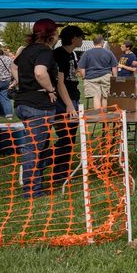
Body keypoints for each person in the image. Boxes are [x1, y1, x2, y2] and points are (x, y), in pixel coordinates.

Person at [12, 19, 63, 197]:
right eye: (57, 33)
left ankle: (36, 184)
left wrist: (22, 83)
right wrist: (50, 89)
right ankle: (32, 190)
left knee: (37, 146)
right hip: (37, 106)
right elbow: (40, 72)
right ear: (50, 35)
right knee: (33, 148)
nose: (58, 36)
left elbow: (14, 66)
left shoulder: (27, 50)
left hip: (22, 103)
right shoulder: (45, 51)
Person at [49, 24, 84, 187]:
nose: (82, 39)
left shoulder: (71, 54)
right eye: (80, 36)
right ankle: (44, 162)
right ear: (73, 38)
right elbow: (59, 83)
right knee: (65, 138)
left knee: (69, 139)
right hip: (64, 103)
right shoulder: (59, 54)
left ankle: (63, 173)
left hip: (72, 99)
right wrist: (70, 105)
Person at [0, 45, 15, 119]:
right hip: (7, 80)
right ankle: (9, 115)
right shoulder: (8, 59)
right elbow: (12, 69)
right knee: (5, 98)